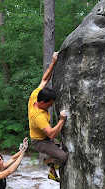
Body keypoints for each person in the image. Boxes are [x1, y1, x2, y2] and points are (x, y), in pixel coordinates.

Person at [28, 52, 67, 182]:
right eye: (49, 104)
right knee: (62, 156)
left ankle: (52, 172)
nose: (51, 106)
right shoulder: (38, 116)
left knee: (61, 146)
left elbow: (44, 80)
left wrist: (53, 62)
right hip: (40, 141)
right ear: (43, 102)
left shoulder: (36, 95)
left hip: (44, 137)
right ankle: (47, 161)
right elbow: (51, 134)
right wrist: (62, 120)